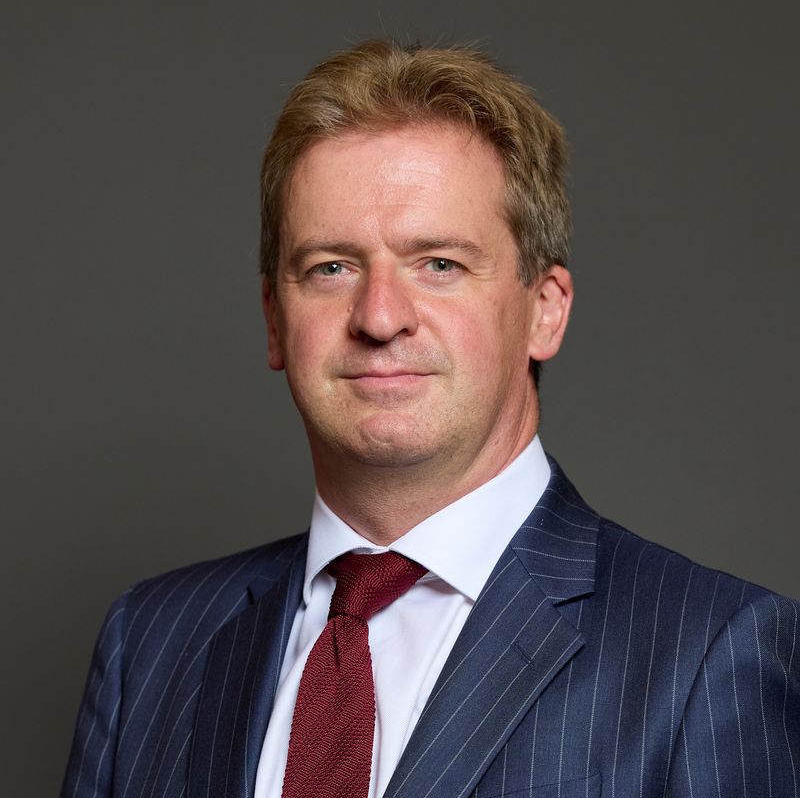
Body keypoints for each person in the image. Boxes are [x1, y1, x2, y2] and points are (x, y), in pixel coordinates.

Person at [62, 40, 799, 798]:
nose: (380, 317)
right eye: (331, 268)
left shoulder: (709, 653)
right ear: (275, 320)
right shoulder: (149, 644)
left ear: (544, 311)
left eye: (440, 264)